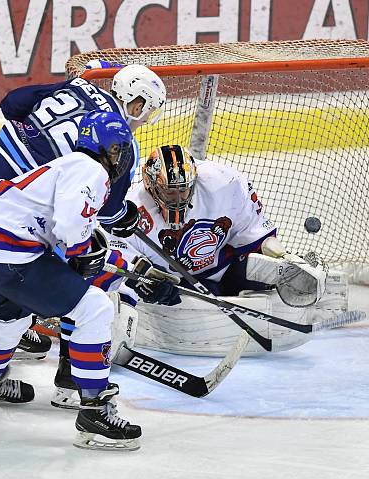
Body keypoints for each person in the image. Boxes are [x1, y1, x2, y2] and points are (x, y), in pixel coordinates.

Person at [0, 110, 173, 451]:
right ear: (114, 149)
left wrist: (128, 268)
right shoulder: (90, 170)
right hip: (11, 249)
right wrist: (114, 268)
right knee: (94, 310)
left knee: (9, 317)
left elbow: (75, 247)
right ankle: (95, 412)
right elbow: (75, 237)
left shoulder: (66, 165)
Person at [0, 64, 167, 360]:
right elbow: (108, 211)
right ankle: (68, 366)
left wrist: (40, 138)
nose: (144, 120)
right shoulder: (121, 140)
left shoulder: (80, 86)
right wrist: (126, 216)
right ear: (136, 103)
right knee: (79, 260)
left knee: (5, 252)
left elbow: (11, 103)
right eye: (147, 111)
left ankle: (15, 320)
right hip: (26, 200)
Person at [107, 144, 345, 358]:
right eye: (170, 191)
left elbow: (255, 232)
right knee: (180, 298)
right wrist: (149, 283)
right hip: (181, 283)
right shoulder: (130, 210)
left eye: (184, 189)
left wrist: (281, 255)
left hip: (230, 267)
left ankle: (298, 277)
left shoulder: (225, 183)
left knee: (268, 266)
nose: (179, 198)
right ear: (151, 186)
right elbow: (124, 264)